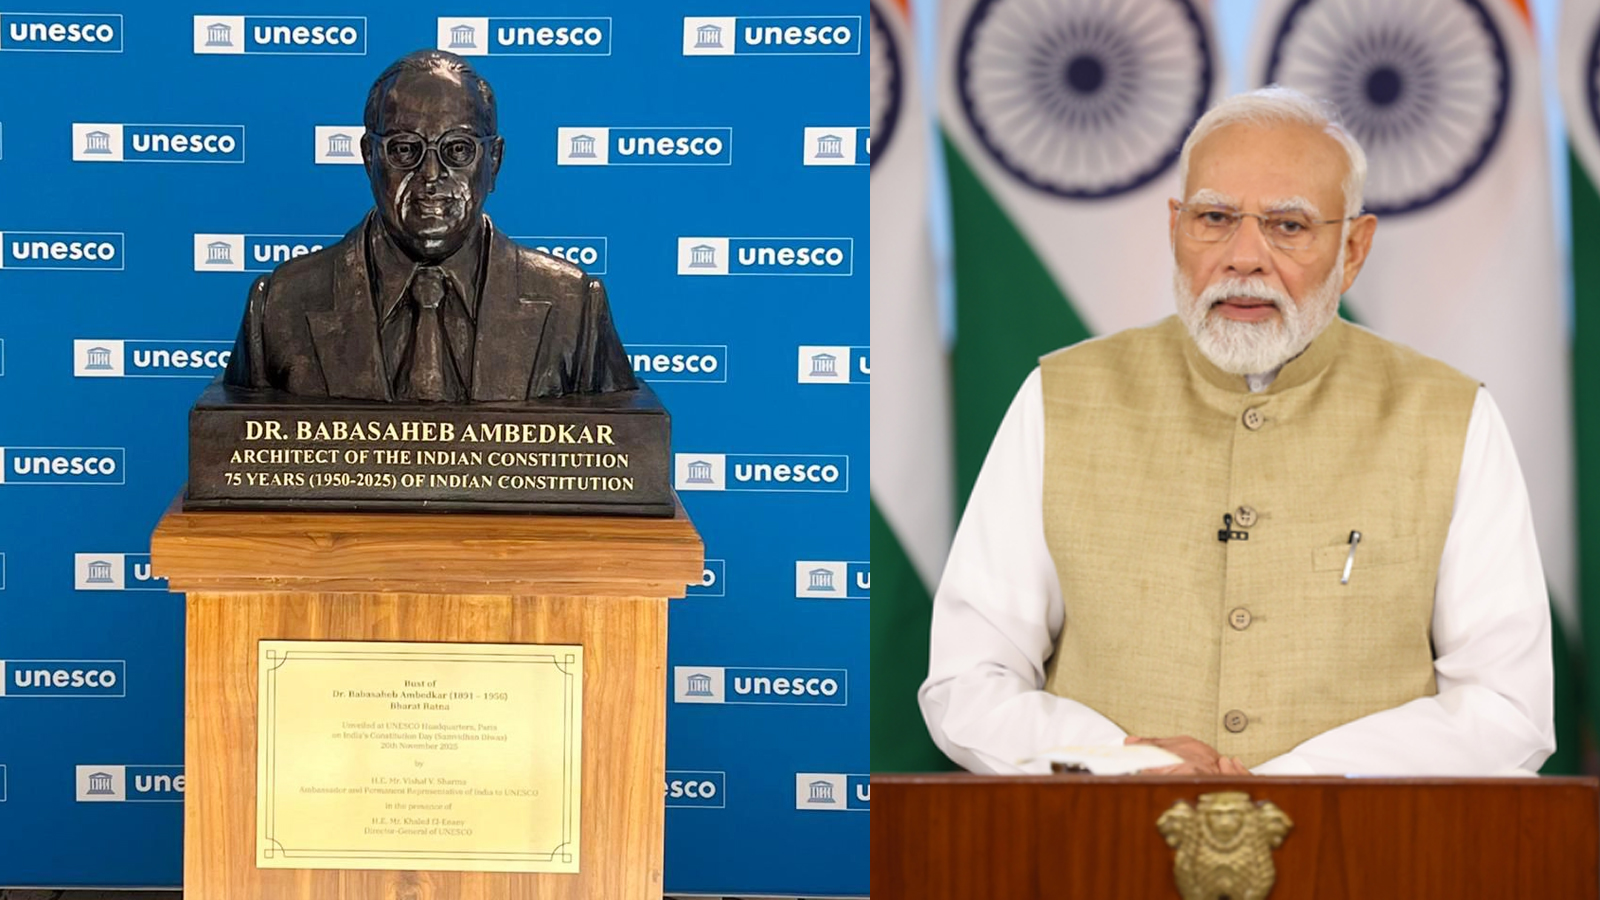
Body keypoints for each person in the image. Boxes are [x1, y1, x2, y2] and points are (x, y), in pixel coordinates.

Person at [919, 87, 1555, 776]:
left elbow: (1504, 705)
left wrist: (1291, 786)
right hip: (1104, 855)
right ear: (1175, 229)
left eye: (1288, 226)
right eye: (1215, 217)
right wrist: (1121, 762)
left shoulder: (1449, 416)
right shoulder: (1061, 397)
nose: (1243, 257)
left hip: (1361, 862)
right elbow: (969, 680)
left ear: (1353, 250)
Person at [224, 49, 635, 402]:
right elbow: (234, 455)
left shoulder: (575, 306)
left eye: (458, 149)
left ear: (494, 162)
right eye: (405, 149)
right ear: (370, 158)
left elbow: (624, 458)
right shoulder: (280, 303)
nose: (431, 176)